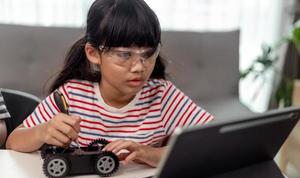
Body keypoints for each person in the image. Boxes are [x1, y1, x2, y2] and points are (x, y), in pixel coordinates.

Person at [6, 0, 213, 167]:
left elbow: (213, 141)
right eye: (124, 55)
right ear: (93, 53)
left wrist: (151, 154)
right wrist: (42, 131)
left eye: (148, 54)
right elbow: (13, 142)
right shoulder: (72, 95)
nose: (139, 67)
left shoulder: (162, 96)